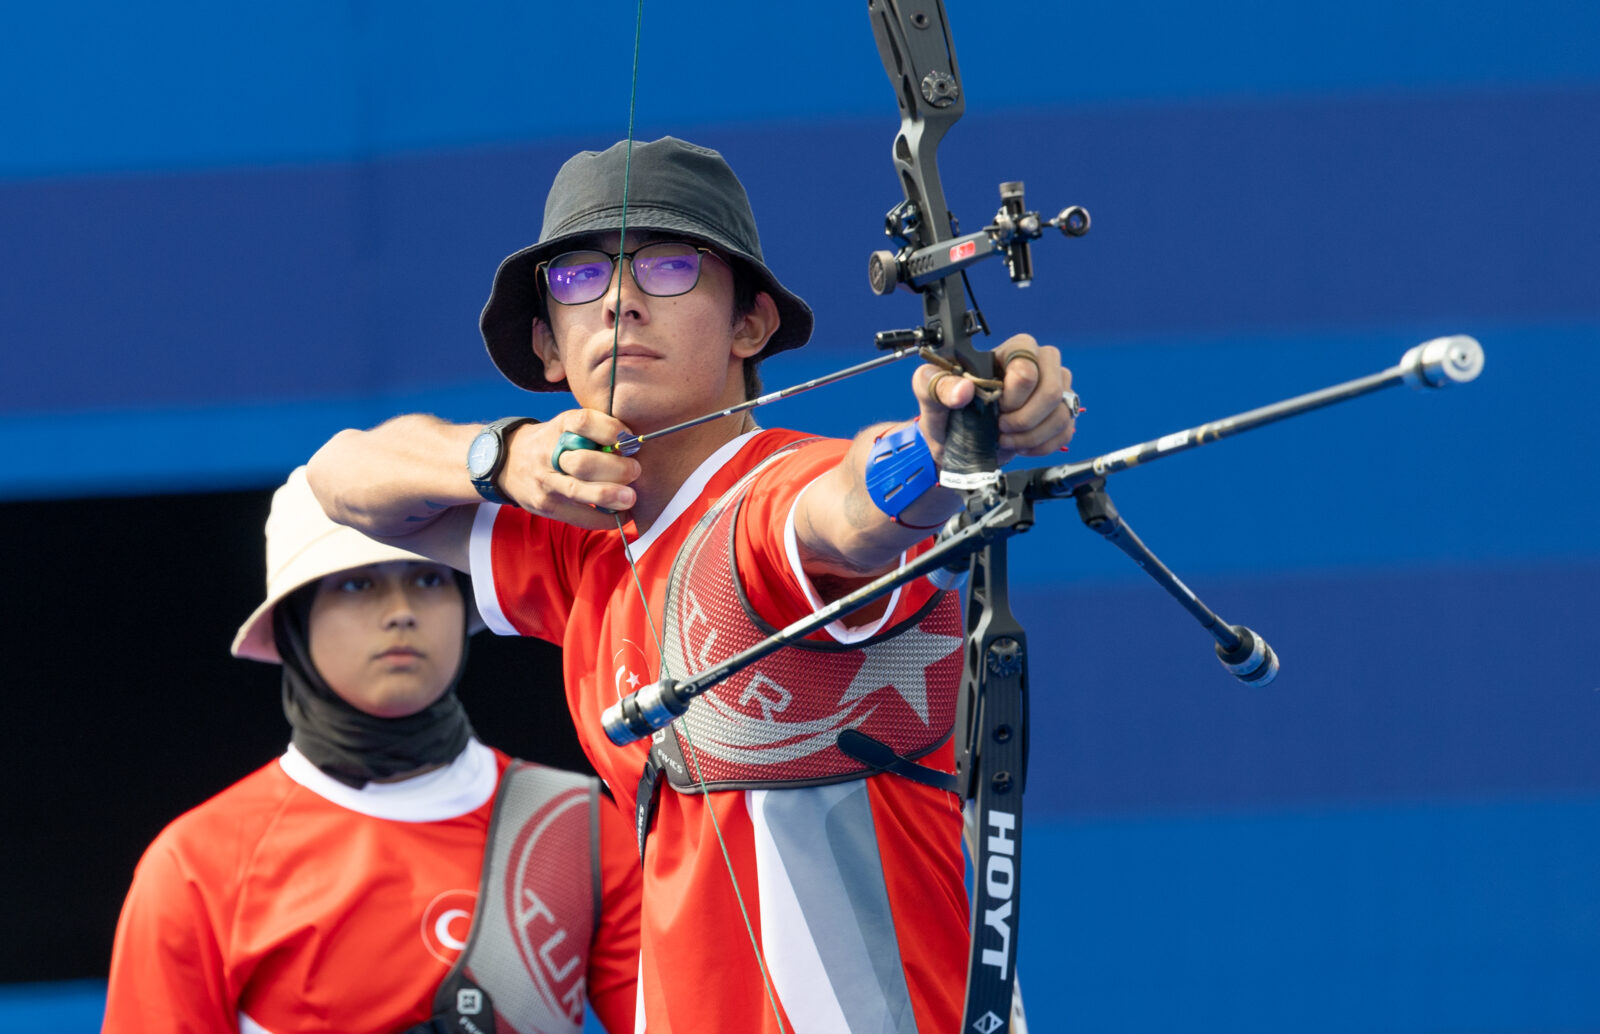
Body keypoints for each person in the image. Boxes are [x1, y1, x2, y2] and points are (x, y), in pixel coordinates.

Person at [307, 136, 1076, 1032]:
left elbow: (853, 512)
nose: (620, 302)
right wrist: (503, 454)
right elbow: (340, 481)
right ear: (548, 347)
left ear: (750, 325)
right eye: (578, 281)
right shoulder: (583, 535)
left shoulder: (770, 500)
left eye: (668, 268)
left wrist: (950, 443)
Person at [103, 467, 641, 1034]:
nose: (401, 611)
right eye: (358, 583)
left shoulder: (573, 829)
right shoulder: (198, 865)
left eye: (430, 580)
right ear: (293, 623)